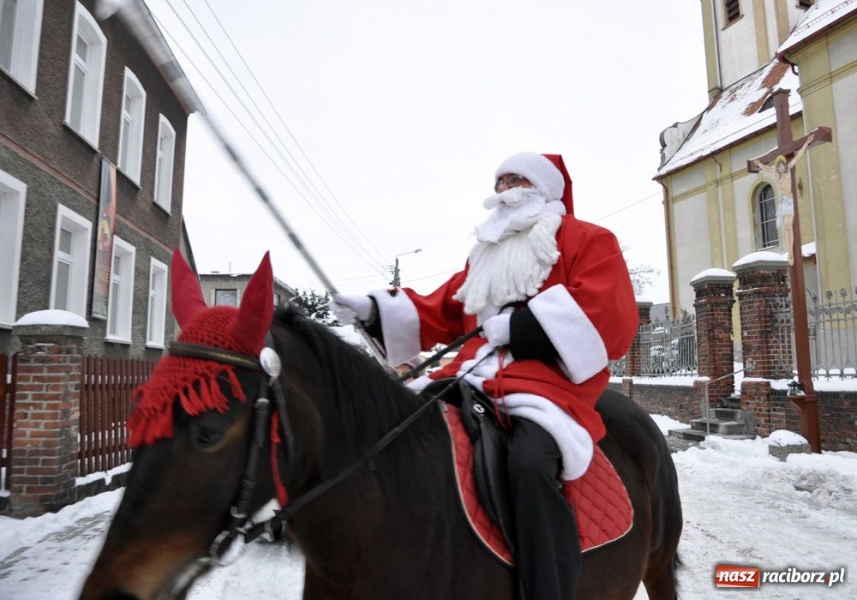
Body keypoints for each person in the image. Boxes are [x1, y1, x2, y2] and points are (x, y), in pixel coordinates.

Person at [331, 152, 638, 600]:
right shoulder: (487, 252)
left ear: (544, 188)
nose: (505, 190)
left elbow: (609, 314)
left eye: (517, 179)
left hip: (547, 387)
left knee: (530, 465)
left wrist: (520, 328)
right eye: (500, 182)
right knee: (398, 435)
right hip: (468, 375)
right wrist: (375, 308)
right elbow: (447, 306)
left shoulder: (588, 239)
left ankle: (546, 588)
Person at [752, 133, 814, 266]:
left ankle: (791, 253)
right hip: (782, 201)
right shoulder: (776, 172)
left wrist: (806, 142)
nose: (781, 167)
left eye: (782, 165)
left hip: (789, 200)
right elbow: (767, 169)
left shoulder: (788, 169)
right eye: (779, 165)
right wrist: (759, 164)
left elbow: (798, 156)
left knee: (788, 226)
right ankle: (789, 251)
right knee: (786, 227)